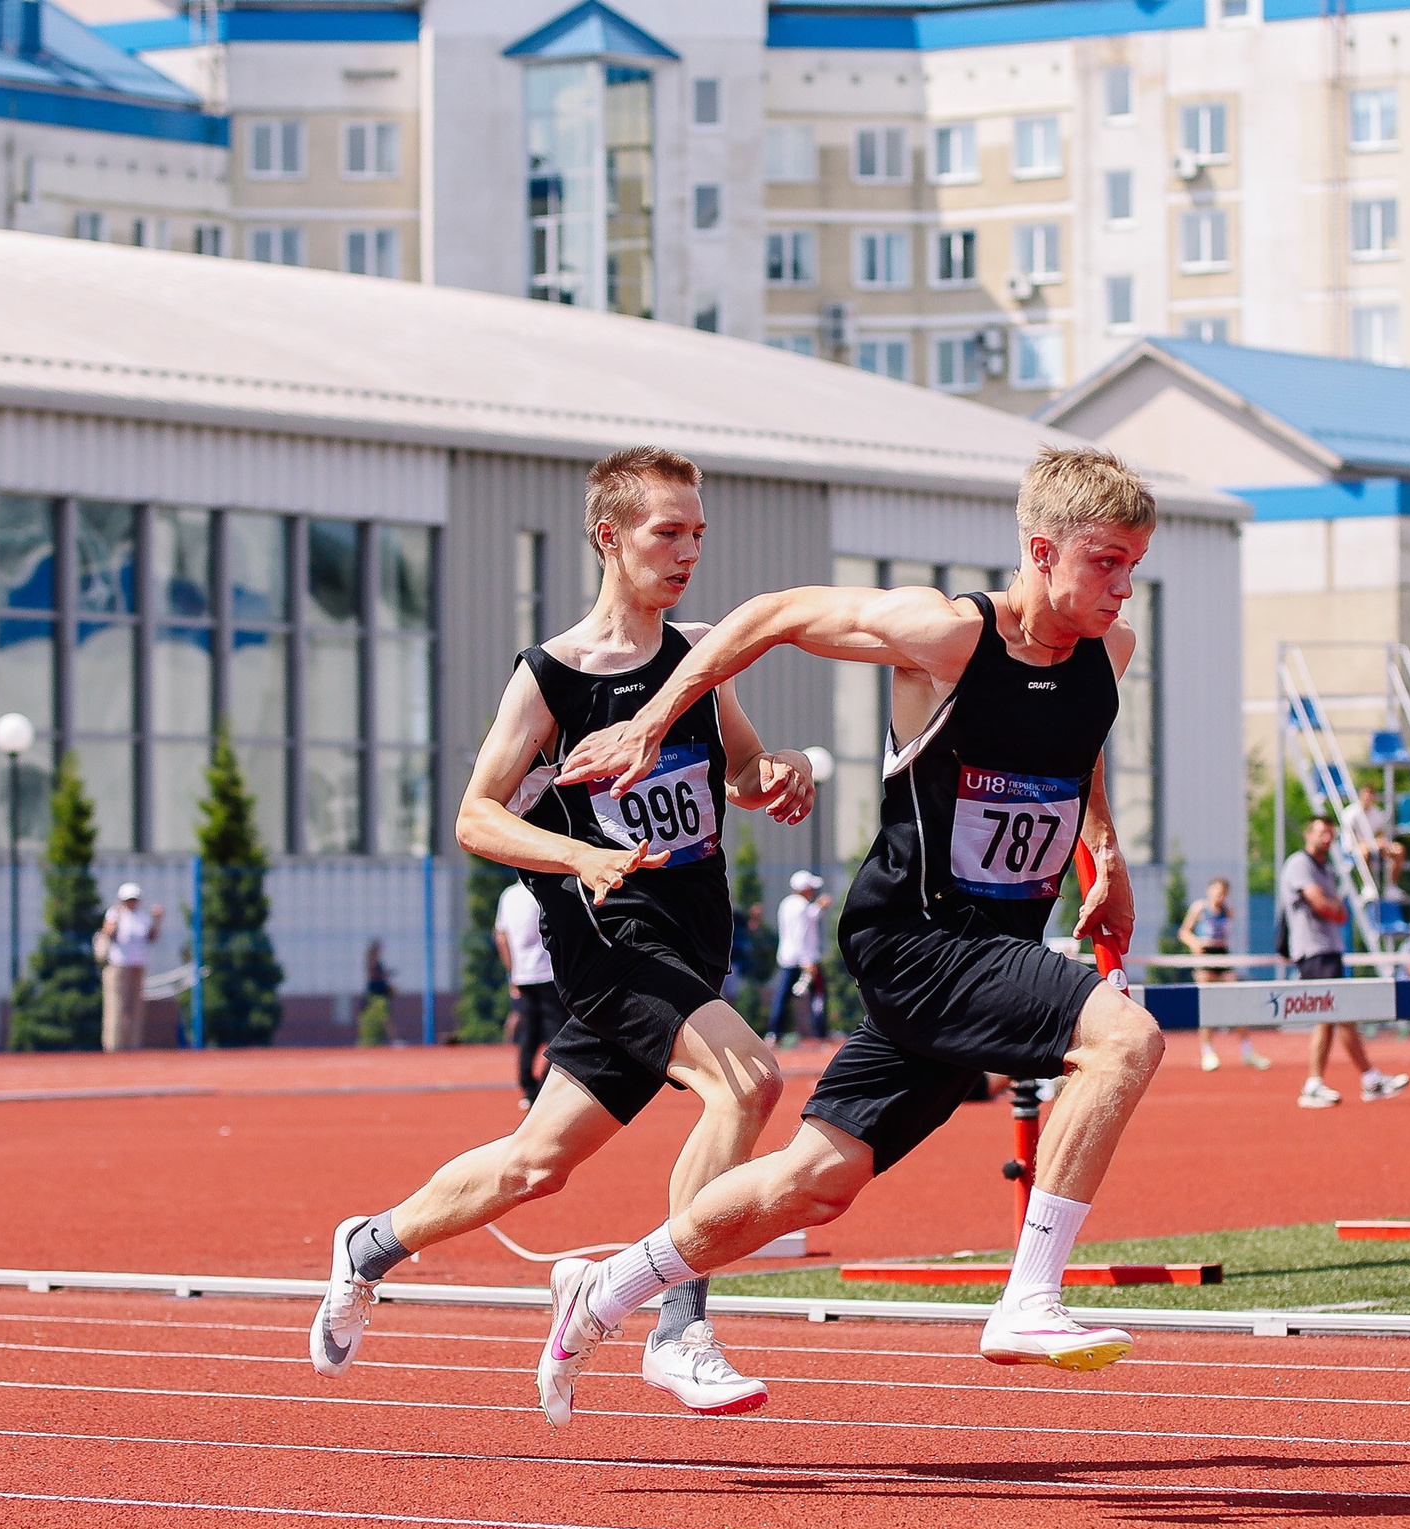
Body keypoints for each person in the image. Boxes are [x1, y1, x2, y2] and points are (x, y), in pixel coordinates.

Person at [545, 444, 1168, 1416]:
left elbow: (1074, 744)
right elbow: (768, 616)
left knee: (811, 1183)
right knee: (1124, 1038)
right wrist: (654, 724)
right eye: (1106, 563)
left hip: (987, 950)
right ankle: (1028, 1297)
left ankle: (610, 1286)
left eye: (1135, 565)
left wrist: (1106, 852)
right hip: (917, 940)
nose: (1123, 589)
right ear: (1042, 551)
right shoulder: (947, 635)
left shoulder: (1106, 655)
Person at [306, 446, 814, 1419]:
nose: (687, 552)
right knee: (748, 1080)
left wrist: (779, 775)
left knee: (533, 1166)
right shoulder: (551, 678)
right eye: (668, 533)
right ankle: (677, 1326)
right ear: (608, 538)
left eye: (698, 534)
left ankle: (366, 1246)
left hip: (691, 947)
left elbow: (742, 774)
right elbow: (474, 817)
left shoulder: (699, 661)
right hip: (611, 947)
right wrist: (577, 856)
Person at [1281, 815, 1410, 1109]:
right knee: (1331, 1015)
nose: (1327, 838)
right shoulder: (1300, 864)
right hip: (1314, 950)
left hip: (1328, 948)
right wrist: (1333, 908)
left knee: (1336, 1016)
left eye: (1331, 833)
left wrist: (1335, 909)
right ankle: (1337, 1081)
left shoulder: (1324, 868)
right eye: (1322, 833)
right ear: (1307, 834)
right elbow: (1326, 907)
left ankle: (1363, 1079)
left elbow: (1340, 911)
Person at [1178, 876, 1267, 1072]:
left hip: (1222, 956)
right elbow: (1184, 932)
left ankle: (1247, 1051)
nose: (1219, 896)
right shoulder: (1200, 909)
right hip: (1205, 957)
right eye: (1217, 892)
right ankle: (1207, 1052)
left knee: (1236, 1001)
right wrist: (1195, 943)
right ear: (1209, 891)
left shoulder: (1228, 911)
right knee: (1207, 1005)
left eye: (1223, 893)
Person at [494, 881, 563, 1107]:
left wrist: (512, 972)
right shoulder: (544, 891)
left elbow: (501, 937)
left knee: (529, 1035)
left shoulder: (508, 895)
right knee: (560, 1035)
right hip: (549, 975)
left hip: (523, 976)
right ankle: (545, 1085)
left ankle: (527, 1087)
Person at [769, 870, 831, 1045]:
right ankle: (820, 1033)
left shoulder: (786, 904)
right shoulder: (801, 906)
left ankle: (774, 1032)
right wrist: (807, 961)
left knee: (782, 997)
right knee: (818, 996)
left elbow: (807, 919)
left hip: (787, 958)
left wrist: (818, 907)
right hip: (805, 959)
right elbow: (801, 933)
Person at [94, 883, 158, 1052]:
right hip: (118, 966)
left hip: (137, 965)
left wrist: (158, 920)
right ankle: (113, 1046)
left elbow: (151, 938)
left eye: (134, 899)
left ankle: (133, 1045)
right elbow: (108, 932)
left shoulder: (143, 917)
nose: (132, 902)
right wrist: (116, 918)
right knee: (115, 1007)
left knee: (136, 1007)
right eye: (128, 899)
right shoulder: (114, 914)